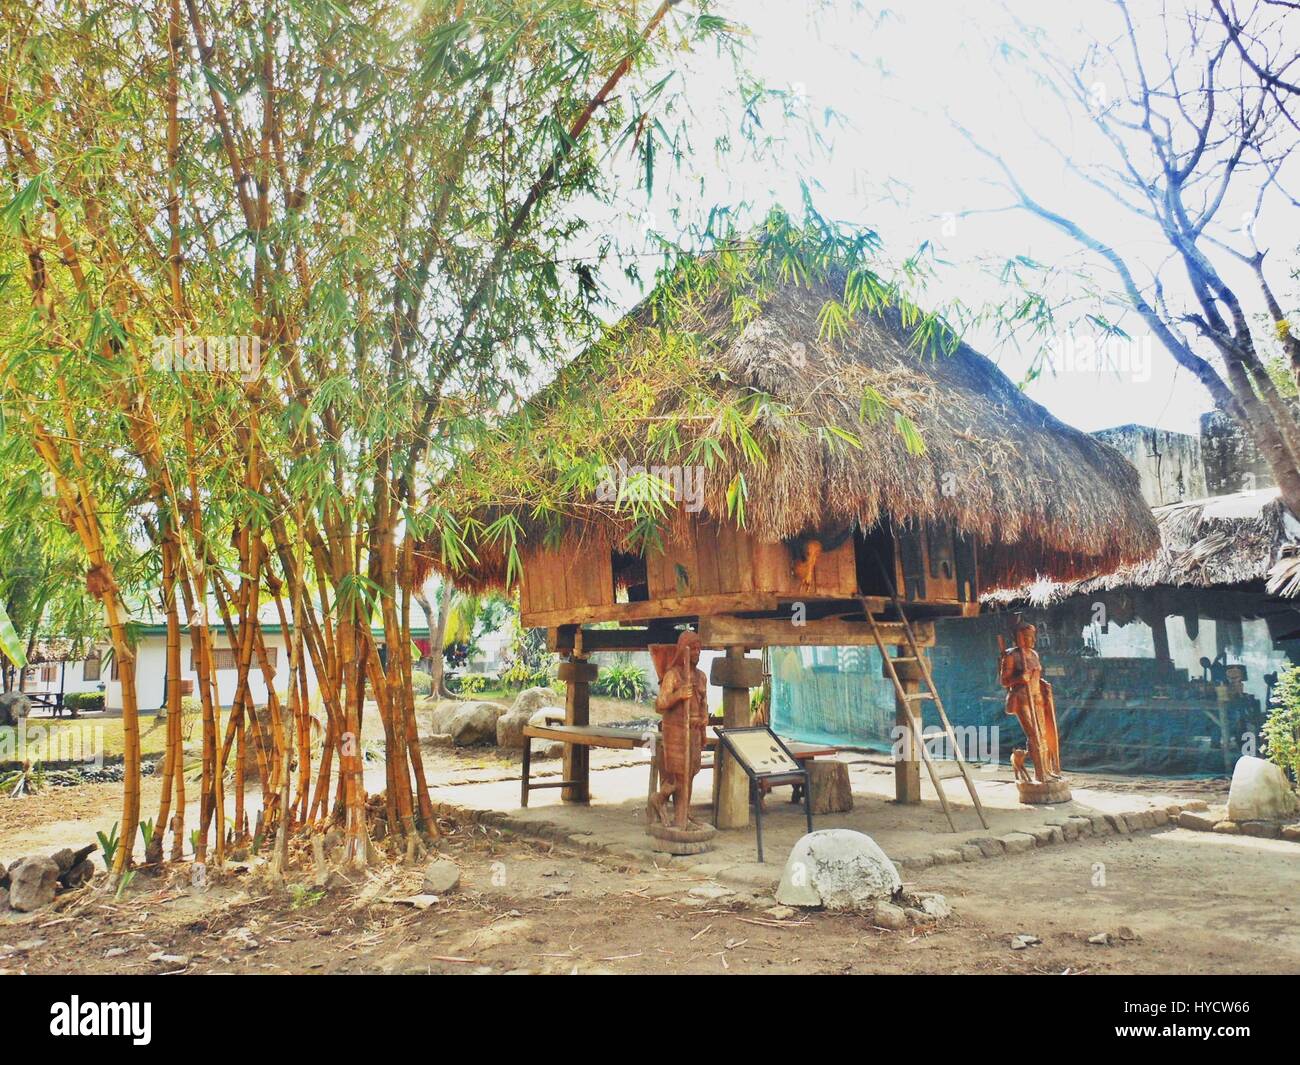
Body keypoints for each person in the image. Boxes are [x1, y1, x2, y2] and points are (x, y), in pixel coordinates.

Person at [648, 631, 709, 828]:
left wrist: (704, 721)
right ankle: (679, 816)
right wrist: (678, 694)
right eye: (694, 649)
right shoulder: (673, 675)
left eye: (700, 649)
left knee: (691, 772)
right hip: (676, 731)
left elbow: (704, 703)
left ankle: (680, 810)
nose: (697, 653)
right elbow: (660, 704)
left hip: (694, 731)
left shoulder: (701, 677)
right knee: (679, 775)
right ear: (684, 650)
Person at [999, 622, 1061, 782]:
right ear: (1019, 638)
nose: (1032, 640)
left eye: (1033, 636)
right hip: (1022, 699)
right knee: (1034, 736)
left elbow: (1035, 677)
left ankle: (1047, 770)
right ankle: (1040, 773)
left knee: (1044, 735)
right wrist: (1020, 678)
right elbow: (1004, 681)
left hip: (1037, 698)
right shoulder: (1011, 656)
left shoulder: (1033, 654)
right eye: (1028, 637)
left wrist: (1042, 683)